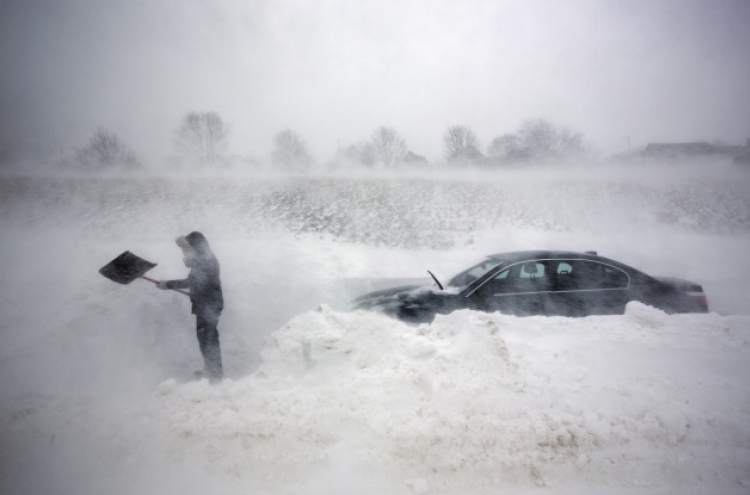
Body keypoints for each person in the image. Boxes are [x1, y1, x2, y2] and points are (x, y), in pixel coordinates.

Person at [157, 231, 224, 383]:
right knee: (206, 339)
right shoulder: (202, 258)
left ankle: (215, 374)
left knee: (208, 339)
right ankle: (211, 370)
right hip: (206, 304)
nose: (186, 251)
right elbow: (194, 279)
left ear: (197, 246)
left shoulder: (206, 260)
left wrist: (168, 284)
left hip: (210, 305)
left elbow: (193, 282)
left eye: (188, 247)